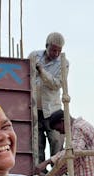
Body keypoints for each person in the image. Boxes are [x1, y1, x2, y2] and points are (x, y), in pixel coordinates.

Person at [28, 32, 68, 165]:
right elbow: (25, 75)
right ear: (47, 46)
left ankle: (59, 171)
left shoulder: (63, 63)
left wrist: (41, 71)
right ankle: (41, 172)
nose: (56, 53)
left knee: (57, 140)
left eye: (59, 50)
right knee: (37, 143)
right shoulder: (34, 56)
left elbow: (56, 84)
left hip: (52, 110)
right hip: (34, 108)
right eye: (53, 50)